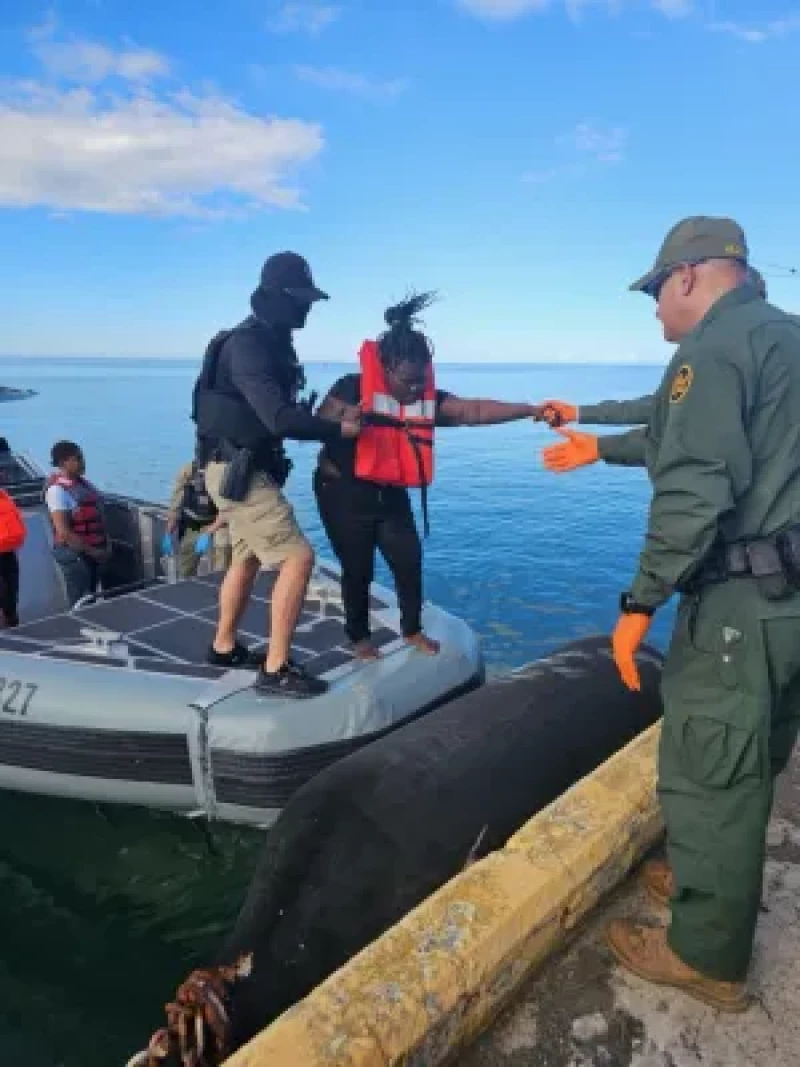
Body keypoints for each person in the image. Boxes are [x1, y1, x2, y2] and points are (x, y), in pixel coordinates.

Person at [561, 216, 800, 1013]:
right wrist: (594, 432)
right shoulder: (778, 337)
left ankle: (706, 954)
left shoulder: (714, 350)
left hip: (740, 603)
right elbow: (673, 416)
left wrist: (638, 604)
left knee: (708, 765)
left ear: (691, 275)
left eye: (656, 291)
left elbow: (695, 482)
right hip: (791, 600)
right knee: (755, 748)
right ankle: (709, 879)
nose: (655, 310)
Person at [313, 292, 543, 660]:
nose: (418, 388)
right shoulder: (350, 387)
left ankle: (412, 629)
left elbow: (474, 411)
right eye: (409, 381)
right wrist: (344, 421)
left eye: (422, 379)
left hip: (388, 493)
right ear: (385, 367)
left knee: (409, 560)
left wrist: (530, 409)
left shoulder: (425, 397)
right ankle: (358, 636)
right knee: (358, 569)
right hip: (341, 491)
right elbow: (319, 421)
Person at [192, 251, 360, 698]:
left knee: (247, 557)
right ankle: (276, 668)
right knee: (296, 557)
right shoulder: (248, 345)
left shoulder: (271, 342)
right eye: (300, 298)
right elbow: (279, 419)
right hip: (238, 473)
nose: (307, 308)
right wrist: (341, 427)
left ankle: (224, 646)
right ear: (275, 295)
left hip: (237, 469)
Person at [540, 267, 769, 473]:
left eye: (660, 297)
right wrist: (578, 413)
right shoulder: (752, 350)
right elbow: (667, 405)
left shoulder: (728, 354)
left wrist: (601, 447)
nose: (658, 312)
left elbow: (692, 439)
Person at [45, 440, 111, 606]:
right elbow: (64, 532)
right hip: (76, 556)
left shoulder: (84, 486)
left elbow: (100, 516)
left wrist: (106, 545)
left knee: (93, 597)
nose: (83, 462)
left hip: (93, 552)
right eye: (78, 458)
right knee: (81, 601)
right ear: (63, 463)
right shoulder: (56, 492)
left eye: (82, 457)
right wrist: (93, 552)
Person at [165, 460, 230, 578]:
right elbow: (176, 499)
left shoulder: (226, 472)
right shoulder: (189, 469)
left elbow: (228, 510)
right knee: (186, 557)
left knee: (223, 548)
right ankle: (184, 584)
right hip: (194, 524)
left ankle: (222, 582)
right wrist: (168, 531)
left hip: (221, 524)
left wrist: (209, 532)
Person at [0, 439, 26, 627]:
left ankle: (12, 625)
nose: (3, 472)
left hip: (8, 553)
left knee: (11, 599)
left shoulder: (4, 495)